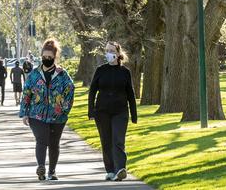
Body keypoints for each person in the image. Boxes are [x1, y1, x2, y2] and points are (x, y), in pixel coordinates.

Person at [19, 39, 75, 181]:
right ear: (41, 56)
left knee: (54, 144)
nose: (47, 59)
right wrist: (24, 113)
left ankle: (52, 171)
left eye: (50, 57)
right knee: (41, 140)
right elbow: (26, 93)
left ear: (55, 57)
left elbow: (70, 91)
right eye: (44, 57)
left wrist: (64, 109)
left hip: (58, 116)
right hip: (36, 115)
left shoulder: (62, 74)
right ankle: (41, 167)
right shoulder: (34, 74)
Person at [88, 41, 137, 182]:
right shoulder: (100, 70)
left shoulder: (125, 72)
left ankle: (120, 169)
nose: (109, 53)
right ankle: (110, 170)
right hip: (102, 111)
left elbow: (131, 94)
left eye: (112, 51)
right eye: (107, 51)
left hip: (120, 111)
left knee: (118, 140)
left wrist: (134, 115)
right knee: (106, 141)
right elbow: (92, 91)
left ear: (118, 53)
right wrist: (91, 110)